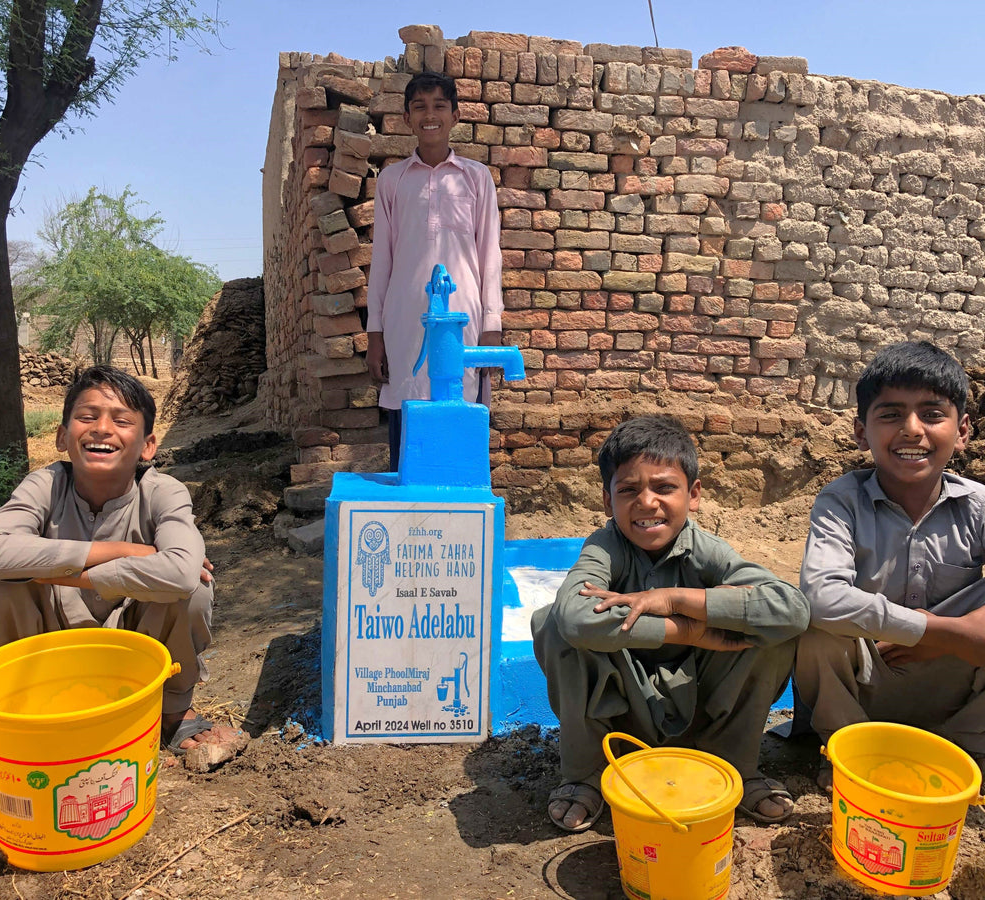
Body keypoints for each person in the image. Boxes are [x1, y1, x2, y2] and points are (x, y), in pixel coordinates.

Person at [531, 414, 810, 832]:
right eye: (628, 490)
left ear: (693, 495)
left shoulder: (707, 551)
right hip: (625, 719)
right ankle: (585, 774)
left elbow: (792, 609)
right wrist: (692, 630)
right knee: (553, 625)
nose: (646, 503)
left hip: (700, 702)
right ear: (608, 502)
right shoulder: (605, 548)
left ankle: (735, 768)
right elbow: (573, 616)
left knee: (770, 634)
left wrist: (676, 599)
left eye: (664, 487)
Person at [0, 366, 244, 770]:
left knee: (194, 589)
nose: (102, 429)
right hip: (50, 647)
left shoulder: (163, 492)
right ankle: (21, 713)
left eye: (121, 420)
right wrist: (120, 550)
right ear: (62, 437)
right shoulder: (44, 486)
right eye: (87, 416)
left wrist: (60, 571)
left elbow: (183, 572)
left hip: (132, 642)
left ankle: (171, 712)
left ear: (148, 446)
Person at [796, 341, 985, 791]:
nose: (912, 430)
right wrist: (929, 629)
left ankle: (967, 754)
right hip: (869, 678)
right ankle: (848, 751)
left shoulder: (979, 506)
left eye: (932, 414)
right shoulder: (841, 500)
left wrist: (947, 638)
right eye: (891, 414)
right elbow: (821, 594)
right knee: (811, 624)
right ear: (862, 432)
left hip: (953, 682)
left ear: (962, 432)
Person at [365, 70, 503, 471]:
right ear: (407, 118)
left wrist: (492, 324)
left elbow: (489, 254)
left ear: (455, 116)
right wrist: (375, 332)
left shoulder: (476, 178)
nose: (430, 115)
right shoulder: (392, 181)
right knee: (407, 429)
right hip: (404, 323)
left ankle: (458, 525)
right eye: (419, 107)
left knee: (461, 418)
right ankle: (410, 525)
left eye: (440, 106)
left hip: (464, 323)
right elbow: (382, 260)